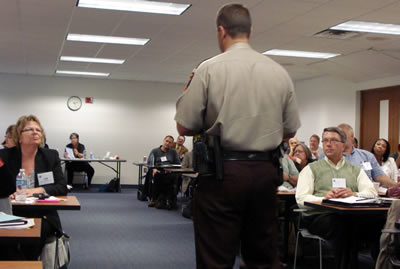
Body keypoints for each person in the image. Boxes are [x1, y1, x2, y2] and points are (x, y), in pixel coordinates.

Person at [175, 3, 301, 268]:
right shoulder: (279, 72)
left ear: (221, 31)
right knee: (263, 256)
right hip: (266, 172)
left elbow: (184, 127)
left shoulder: (208, 69)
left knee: (216, 256)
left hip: (223, 173)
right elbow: (290, 131)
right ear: (251, 31)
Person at [296, 127, 379, 269]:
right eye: (325, 140)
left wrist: (354, 194)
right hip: (320, 217)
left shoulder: (355, 170)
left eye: (333, 140)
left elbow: (372, 192)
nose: (328, 144)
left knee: (377, 224)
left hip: (350, 216)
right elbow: (301, 199)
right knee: (344, 226)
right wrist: (324, 198)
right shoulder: (311, 168)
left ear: (343, 144)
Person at [0, 115, 67, 260]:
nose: (35, 132)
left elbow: (61, 187)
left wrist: (38, 190)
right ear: (19, 136)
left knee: (35, 234)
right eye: (29, 129)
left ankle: (26, 262)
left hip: (42, 213)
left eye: (38, 130)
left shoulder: (50, 156)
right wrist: (7, 191)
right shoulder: (5, 155)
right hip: (10, 212)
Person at [337, 123, 399, 188]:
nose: (340, 138)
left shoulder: (367, 156)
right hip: (337, 194)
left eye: (343, 135)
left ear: (352, 137)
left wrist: (397, 186)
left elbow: (379, 176)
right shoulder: (329, 156)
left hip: (363, 194)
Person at [147, 135, 180, 210]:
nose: (168, 143)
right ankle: (156, 198)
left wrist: (171, 169)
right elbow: (149, 163)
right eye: (167, 141)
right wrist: (154, 169)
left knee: (172, 178)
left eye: (170, 142)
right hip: (158, 171)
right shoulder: (154, 151)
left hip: (170, 172)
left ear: (172, 144)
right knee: (158, 176)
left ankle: (166, 199)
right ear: (163, 141)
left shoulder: (173, 152)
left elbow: (178, 164)